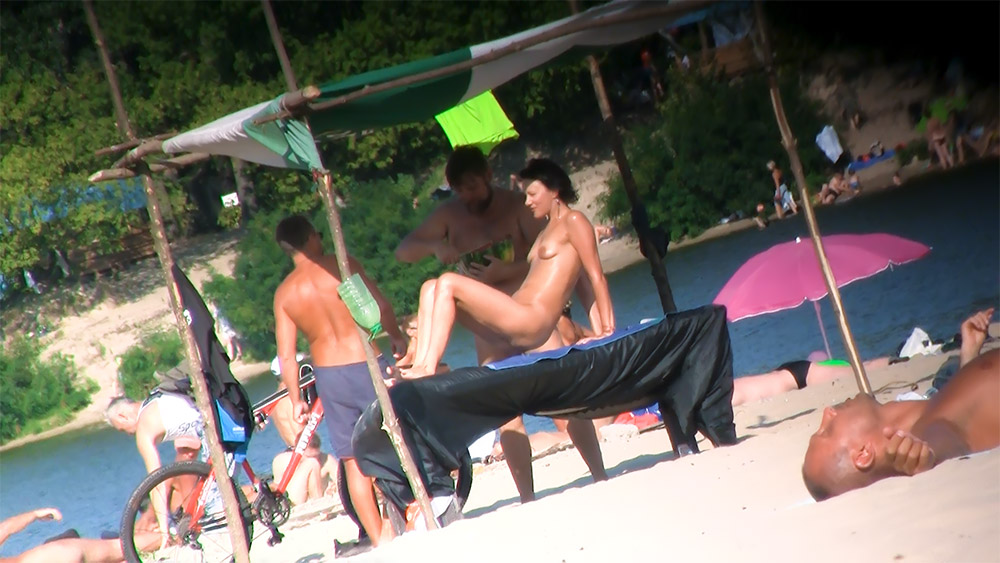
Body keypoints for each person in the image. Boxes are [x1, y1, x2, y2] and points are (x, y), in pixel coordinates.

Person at [395, 148, 608, 503]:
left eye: (473, 186)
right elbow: (404, 250)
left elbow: (549, 261)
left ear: (488, 176)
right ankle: (527, 497)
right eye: (460, 190)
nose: (468, 195)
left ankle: (600, 475)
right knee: (507, 415)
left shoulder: (518, 206)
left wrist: (504, 271)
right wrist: (436, 247)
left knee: (564, 400)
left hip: (525, 311)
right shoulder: (450, 215)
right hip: (488, 325)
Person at [273, 214, 406, 547]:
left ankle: (378, 537)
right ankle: (411, 510)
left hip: (330, 377)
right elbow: (380, 306)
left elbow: (287, 356)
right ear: (310, 238)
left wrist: (296, 399)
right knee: (396, 436)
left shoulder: (284, 294)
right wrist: (396, 336)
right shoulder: (340, 266)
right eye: (318, 234)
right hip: (365, 362)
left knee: (351, 459)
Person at [801, 348, 998, 500]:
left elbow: (971, 410)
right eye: (827, 430)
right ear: (863, 453)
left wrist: (969, 356)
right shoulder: (931, 426)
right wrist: (926, 456)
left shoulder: (932, 410)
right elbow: (946, 439)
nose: (828, 411)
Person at [106, 390, 205, 546]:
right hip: (212, 408)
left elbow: (156, 481)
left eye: (122, 429)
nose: (128, 434)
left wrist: (164, 530)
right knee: (185, 458)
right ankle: (192, 518)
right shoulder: (160, 398)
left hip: (209, 420)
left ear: (122, 416)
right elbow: (187, 454)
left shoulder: (144, 427)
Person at [0, 507, 157, 563]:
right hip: (54, 556)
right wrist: (35, 514)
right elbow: (6, 528)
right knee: (117, 547)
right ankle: (165, 537)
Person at [731, 357, 891, 407]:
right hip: (789, 375)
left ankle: (895, 361)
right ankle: (894, 360)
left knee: (861, 371)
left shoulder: (728, 397)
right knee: (857, 369)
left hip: (799, 376)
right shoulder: (728, 388)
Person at [271, 434, 336, 505]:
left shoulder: (326, 459)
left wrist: (334, 488)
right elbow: (277, 487)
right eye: (308, 456)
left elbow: (340, 481)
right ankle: (318, 503)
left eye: (316, 456)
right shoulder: (281, 460)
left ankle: (318, 501)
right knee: (312, 463)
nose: (315, 459)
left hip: (317, 497)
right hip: (294, 500)